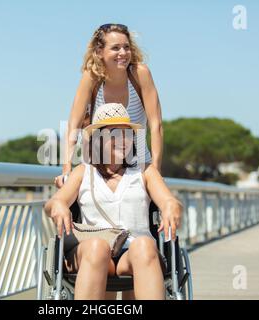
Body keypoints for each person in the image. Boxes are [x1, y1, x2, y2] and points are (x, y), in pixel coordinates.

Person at [44, 103, 182, 300]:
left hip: (134, 254)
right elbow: (54, 202)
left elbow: (170, 201)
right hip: (94, 251)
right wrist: (58, 206)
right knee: (97, 248)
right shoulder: (83, 172)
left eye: (127, 134)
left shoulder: (144, 171)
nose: (123, 140)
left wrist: (171, 207)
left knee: (143, 245)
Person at [55, 23, 164, 189]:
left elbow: (156, 125)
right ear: (99, 52)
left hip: (138, 165)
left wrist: (155, 172)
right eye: (116, 48)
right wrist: (66, 169)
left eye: (126, 47)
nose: (123, 53)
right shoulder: (92, 76)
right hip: (99, 165)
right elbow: (73, 125)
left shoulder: (140, 74)